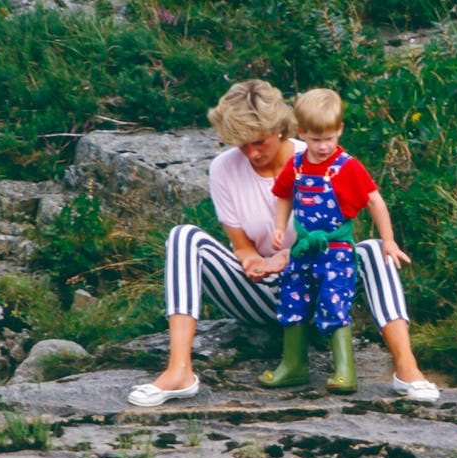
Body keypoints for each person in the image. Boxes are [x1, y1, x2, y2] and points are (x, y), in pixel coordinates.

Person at [127, 79, 440, 407]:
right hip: (262, 295)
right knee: (183, 236)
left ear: (282, 129)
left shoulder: (320, 154)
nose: (252, 153)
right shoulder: (223, 168)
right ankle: (179, 371)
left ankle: (407, 369)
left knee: (375, 249)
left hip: (322, 287)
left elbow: (340, 233)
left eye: (259, 142)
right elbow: (241, 245)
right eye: (241, 145)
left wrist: (288, 255)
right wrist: (252, 262)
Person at [261, 88, 407, 395]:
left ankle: (345, 371)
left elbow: (375, 201)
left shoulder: (347, 166)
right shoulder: (297, 165)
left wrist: (388, 241)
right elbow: (285, 194)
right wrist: (278, 226)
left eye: (329, 138)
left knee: (334, 300)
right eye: (315, 139)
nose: (324, 146)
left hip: (336, 249)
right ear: (302, 133)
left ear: (339, 130)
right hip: (303, 249)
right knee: (293, 295)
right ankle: (293, 366)